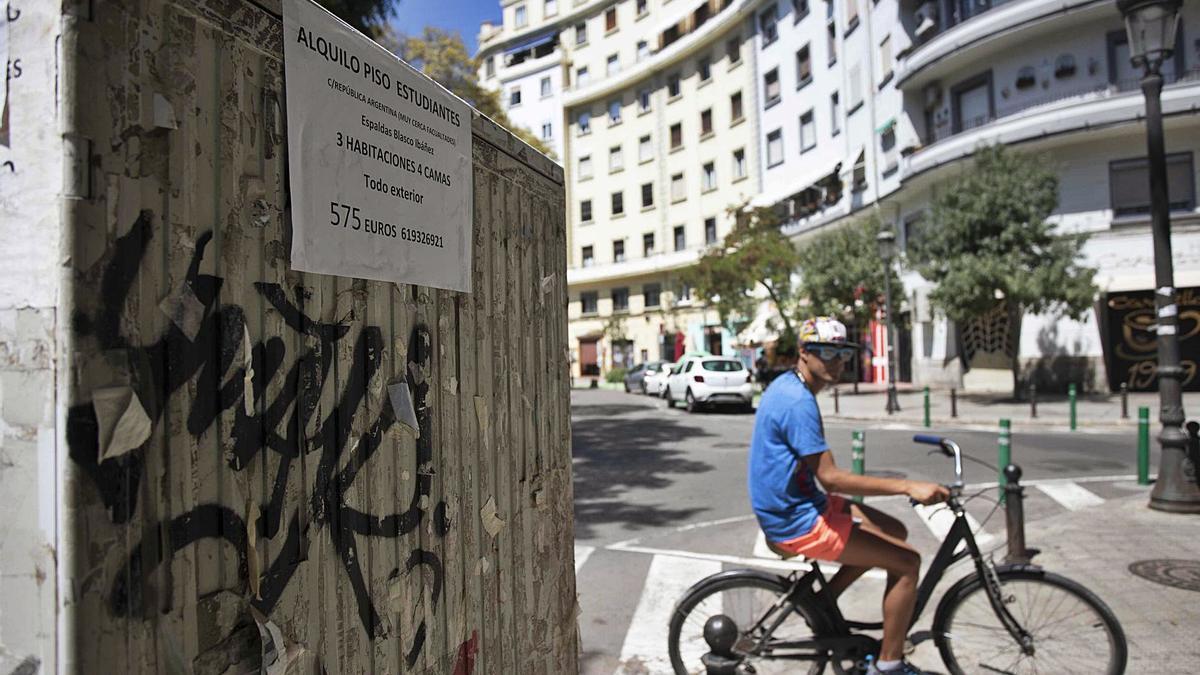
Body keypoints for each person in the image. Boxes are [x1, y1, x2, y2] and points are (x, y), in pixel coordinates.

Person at [747, 316, 949, 675]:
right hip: (796, 519)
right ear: (804, 352)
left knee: (894, 531)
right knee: (907, 564)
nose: (837, 361)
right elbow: (833, 479)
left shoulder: (789, 386)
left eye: (843, 353)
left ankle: (822, 602)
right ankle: (888, 666)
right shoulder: (797, 403)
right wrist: (907, 485)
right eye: (827, 352)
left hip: (801, 504)